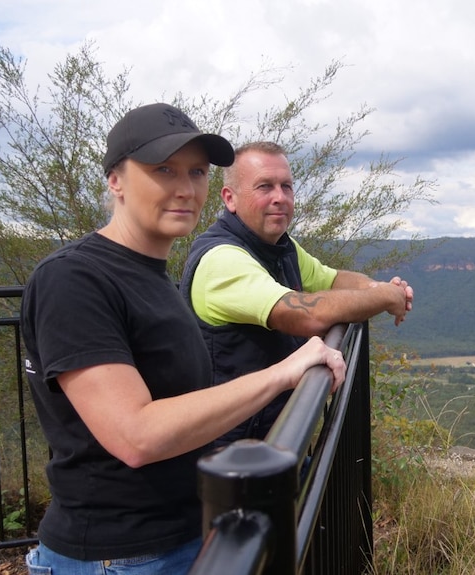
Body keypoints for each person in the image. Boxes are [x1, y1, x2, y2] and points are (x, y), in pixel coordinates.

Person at [21, 104, 345, 575]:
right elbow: (137, 436)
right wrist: (283, 374)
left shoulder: (154, 278)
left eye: (196, 171)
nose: (185, 188)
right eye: (163, 170)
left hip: (178, 537)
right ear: (116, 180)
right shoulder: (73, 279)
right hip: (116, 555)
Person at [180, 141, 413, 444]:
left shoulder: (279, 247)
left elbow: (332, 279)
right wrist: (385, 298)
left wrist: (378, 287)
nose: (280, 197)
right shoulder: (222, 260)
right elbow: (308, 315)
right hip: (228, 454)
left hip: (273, 436)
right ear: (230, 198)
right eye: (265, 187)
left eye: (286, 186)